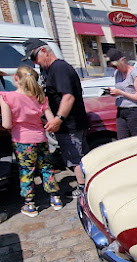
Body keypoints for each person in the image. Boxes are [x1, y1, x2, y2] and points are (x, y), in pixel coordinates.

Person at [22, 38, 89, 199]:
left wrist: (58, 119)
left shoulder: (59, 68)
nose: (35, 62)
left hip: (70, 123)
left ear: (44, 51)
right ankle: (85, 186)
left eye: (34, 57)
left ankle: (84, 189)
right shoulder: (51, 69)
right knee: (76, 157)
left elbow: (68, 97)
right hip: (67, 124)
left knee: (75, 159)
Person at [0, 66, 62, 217]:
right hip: (40, 138)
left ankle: (30, 204)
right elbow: (51, 120)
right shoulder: (40, 97)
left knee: (26, 171)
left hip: (22, 140)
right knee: (47, 167)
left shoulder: (7, 97)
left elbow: (7, 124)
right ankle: (55, 199)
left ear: (16, 79)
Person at [107, 48, 137, 140]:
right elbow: (121, 89)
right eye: (113, 67)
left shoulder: (135, 74)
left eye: (116, 66)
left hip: (134, 111)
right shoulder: (118, 73)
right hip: (121, 110)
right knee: (122, 141)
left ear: (122, 61)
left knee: (136, 141)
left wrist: (121, 93)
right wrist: (114, 92)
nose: (115, 69)